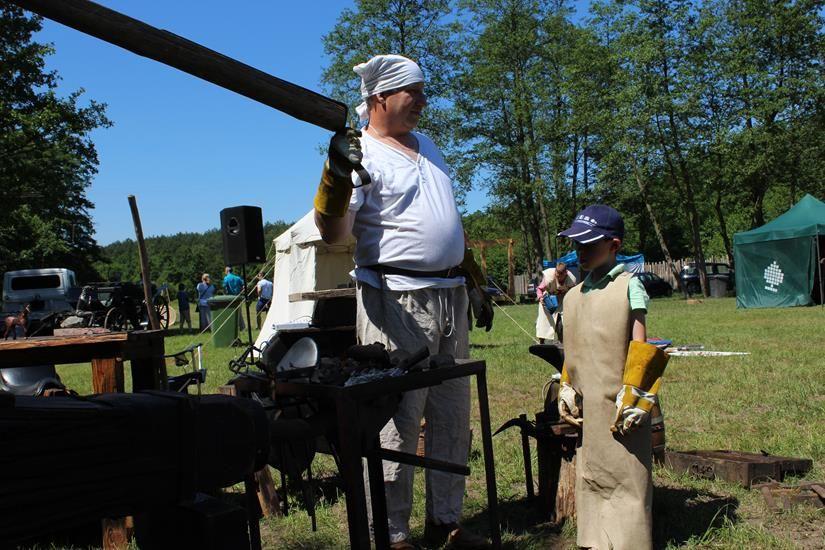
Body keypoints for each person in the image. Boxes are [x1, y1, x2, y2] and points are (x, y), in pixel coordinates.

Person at [312, 54, 493, 549]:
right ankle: (392, 535)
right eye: (412, 92)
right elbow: (334, 234)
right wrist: (333, 176)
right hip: (396, 298)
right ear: (379, 99)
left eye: (422, 91)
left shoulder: (428, 145)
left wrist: (471, 278)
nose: (422, 101)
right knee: (396, 419)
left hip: (449, 295)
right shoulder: (360, 154)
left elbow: (438, 221)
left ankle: (446, 522)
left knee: (453, 414)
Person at [556, 205, 669, 550]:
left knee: (627, 476)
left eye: (590, 244)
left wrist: (635, 394)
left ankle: (630, 542)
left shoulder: (628, 287)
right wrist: (564, 385)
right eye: (577, 245)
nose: (581, 252)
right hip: (587, 405)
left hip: (620, 405)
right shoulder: (573, 295)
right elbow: (572, 348)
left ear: (615, 245)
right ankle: (594, 541)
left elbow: (640, 343)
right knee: (592, 474)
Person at [535, 261, 576, 343]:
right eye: (557, 275)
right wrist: (541, 298)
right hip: (548, 298)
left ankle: (562, 342)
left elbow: (574, 293)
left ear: (565, 273)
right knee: (544, 320)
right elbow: (539, 289)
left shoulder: (571, 279)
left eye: (560, 276)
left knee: (563, 321)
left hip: (563, 299)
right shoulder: (549, 277)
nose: (558, 277)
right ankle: (541, 342)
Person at [222, 266, 246, 332]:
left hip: (230, 297)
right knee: (239, 312)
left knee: (230, 313)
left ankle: (232, 327)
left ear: (227, 271)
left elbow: (224, 287)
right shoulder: (238, 278)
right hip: (238, 297)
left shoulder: (226, 278)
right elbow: (244, 286)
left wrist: (225, 294)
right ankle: (242, 327)